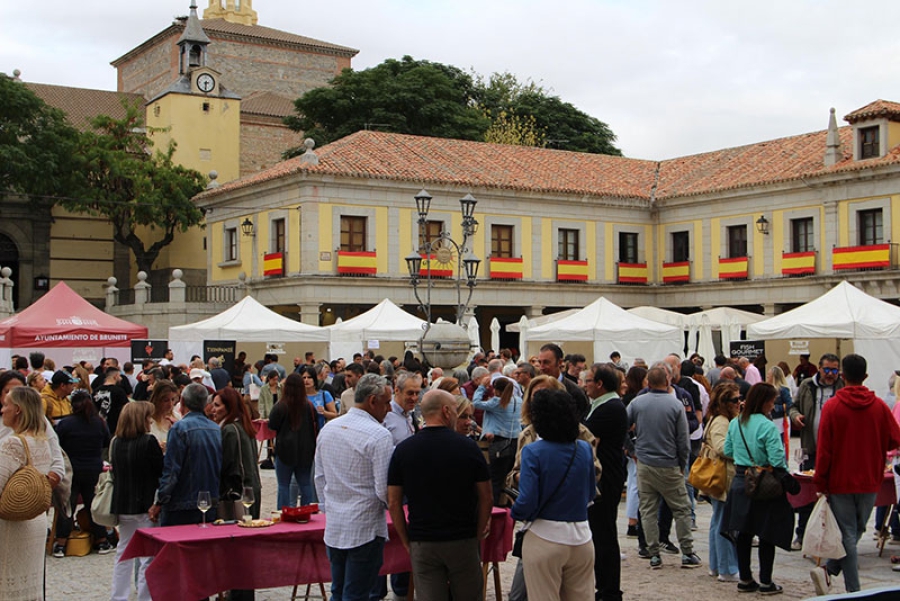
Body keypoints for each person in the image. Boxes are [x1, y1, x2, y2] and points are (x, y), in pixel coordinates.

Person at [387, 390, 492, 600]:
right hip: (461, 538)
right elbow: (486, 495)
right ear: (446, 411)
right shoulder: (468, 448)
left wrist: (407, 541)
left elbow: (393, 501)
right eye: (455, 410)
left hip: (423, 540)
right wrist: (478, 531)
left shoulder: (404, 449)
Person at [810, 354, 900, 595]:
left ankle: (834, 575)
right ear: (866, 376)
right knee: (855, 531)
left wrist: (821, 480)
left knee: (850, 533)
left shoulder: (833, 407)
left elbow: (824, 448)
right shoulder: (879, 406)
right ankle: (853, 588)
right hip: (870, 478)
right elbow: (895, 438)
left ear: (842, 375)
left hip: (841, 479)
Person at [510, 388, 597, 601]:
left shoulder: (534, 451)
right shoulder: (584, 449)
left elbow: (528, 500)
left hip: (544, 535)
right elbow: (589, 493)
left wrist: (514, 511)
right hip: (581, 534)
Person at [314, 374, 394, 601]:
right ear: (372, 401)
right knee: (356, 593)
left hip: (337, 524)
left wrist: (328, 507)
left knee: (338, 591)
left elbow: (319, 477)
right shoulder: (379, 435)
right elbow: (382, 489)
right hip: (365, 526)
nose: (389, 408)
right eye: (387, 402)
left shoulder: (329, 429)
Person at [626, 364, 700, 569]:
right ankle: (687, 551)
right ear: (667, 382)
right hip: (669, 464)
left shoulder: (637, 402)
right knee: (681, 508)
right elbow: (683, 440)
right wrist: (681, 463)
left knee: (648, 509)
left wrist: (632, 450)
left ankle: (654, 553)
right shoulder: (675, 405)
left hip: (645, 463)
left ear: (648, 382)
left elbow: (623, 426)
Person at [722, 383, 793, 595]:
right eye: (772, 401)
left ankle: (745, 578)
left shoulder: (736, 423)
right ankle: (765, 581)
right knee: (766, 533)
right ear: (764, 402)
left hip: (741, 480)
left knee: (744, 532)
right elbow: (776, 459)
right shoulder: (767, 426)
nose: (774, 405)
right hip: (764, 482)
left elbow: (728, 449)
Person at [0, 386, 56, 601]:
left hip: (11, 524)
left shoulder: (12, 443)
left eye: (6, 405)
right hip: (35, 521)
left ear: (18, 410)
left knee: (9, 585)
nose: (2, 409)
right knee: (30, 584)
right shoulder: (41, 441)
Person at [787, 353, 843, 547]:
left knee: (835, 494)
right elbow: (793, 407)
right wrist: (795, 416)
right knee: (807, 491)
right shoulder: (807, 386)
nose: (830, 374)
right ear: (819, 368)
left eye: (834, 370)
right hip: (810, 447)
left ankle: (832, 535)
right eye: (827, 369)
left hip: (836, 451)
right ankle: (802, 534)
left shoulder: (842, 386)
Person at [109, 401, 163, 601]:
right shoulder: (148, 442)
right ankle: (145, 597)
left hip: (123, 503)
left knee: (123, 553)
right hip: (145, 504)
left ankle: (118, 596)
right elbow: (160, 471)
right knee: (147, 556)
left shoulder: (116, 442)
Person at [211, 387, 261, 601]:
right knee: (244, 553)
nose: (213, 410)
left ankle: (238, 595)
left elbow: (230, 468)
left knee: (236, 552)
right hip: (251, 492)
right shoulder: (243, 425)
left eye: (217, 405)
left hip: (238, 496)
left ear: (228, 407)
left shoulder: (230, 430)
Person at [583, 364, 628, 601]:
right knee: (600, 533)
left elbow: (588, 437)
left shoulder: (610, 407)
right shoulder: (603, 405)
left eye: (588, 381)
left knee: (604, 535)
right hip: (604, 475)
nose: (585, 384)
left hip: (606, 478)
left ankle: (609, 590)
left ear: (600, 384)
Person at [149, 383, 223, 526]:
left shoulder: (180, 428)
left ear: (182, 401)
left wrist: (160, 500)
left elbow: (171, 470)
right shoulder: (215, 429)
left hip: (181, 503)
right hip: (209, 501)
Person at [53, 388, 112, 556]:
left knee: (68, 506)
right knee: (93, 504)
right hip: (93, 467)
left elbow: (58, 445)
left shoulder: (65, 423)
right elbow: (106, 442)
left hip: (71, 469)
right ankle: (102, 540)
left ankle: (61, 544)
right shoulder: (100, 422)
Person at [704, 382, 740, 582]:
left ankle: (717, 565)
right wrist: (742, 452)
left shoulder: (718, 419)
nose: (739, 402)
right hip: (723, 476)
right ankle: (727, 567)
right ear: (724, 402)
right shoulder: (721, 421)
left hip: (721, 475)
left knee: (718, 520)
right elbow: (722, 448)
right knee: (724, 522)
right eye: (735, 399)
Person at [268, 373, 318, 508]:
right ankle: (306, 512)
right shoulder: (309, 406)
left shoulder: (280, 406)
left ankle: (283, 513)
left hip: (285, 450)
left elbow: (272, 425)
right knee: (305, 484)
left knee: (283, 485)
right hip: (305, 451)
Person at [473, 376, 522, 506]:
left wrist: (481, 387)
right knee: (507, 478)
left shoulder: (496, 402)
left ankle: (493, 508)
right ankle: (507, 505)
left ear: (497, 390)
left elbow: (476, 403)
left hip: (499, 443)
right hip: (515, 442)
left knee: (494, 479)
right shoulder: (518, 401)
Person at [93, 366, 130, 436]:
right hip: (115, 427)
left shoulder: (96, 391)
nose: (121, 378)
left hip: (99, 427)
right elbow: (127, 408)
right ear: (115, 376)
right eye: (119, 376)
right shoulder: (119, 391)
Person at [766, 366, 792, 459]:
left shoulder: (783, 390)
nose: (767, 377)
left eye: (769, 376)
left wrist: (776, 407)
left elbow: (789, 404)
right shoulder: (767, 389)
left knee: (781, 443)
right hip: (770, 419)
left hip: (780, 420)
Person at [300, 365, 337, 430]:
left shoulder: (324, 394)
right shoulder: (298, 396)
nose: (306, 380)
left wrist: (324, 412)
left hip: (320, 431)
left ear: (314, 379)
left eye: (309, 377)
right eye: (304, 378)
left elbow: (334, 414)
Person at [149, 379, 181, 452]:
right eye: (166, 400)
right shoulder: (148, 420)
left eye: (172, 400)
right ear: (157, 399)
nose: (170, 404)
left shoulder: (177, 417)